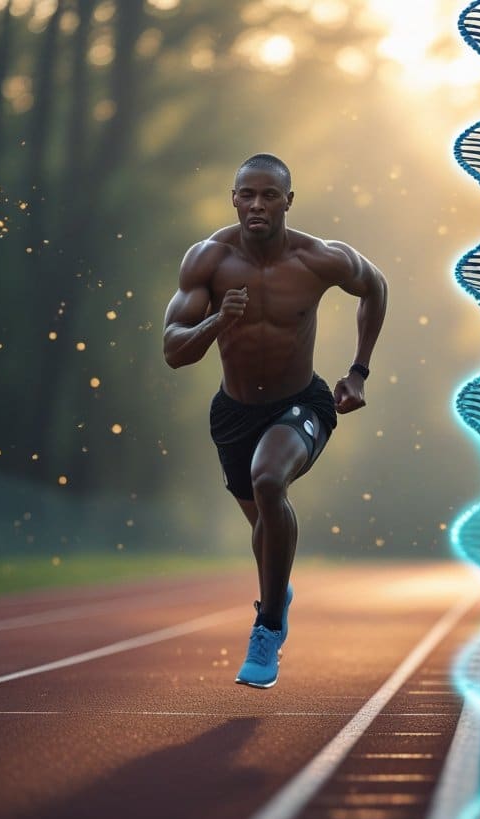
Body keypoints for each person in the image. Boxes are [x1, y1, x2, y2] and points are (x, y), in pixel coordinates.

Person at [163, 153, 387, 689]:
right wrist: (219, 319)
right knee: (265, 531)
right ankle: (277, 582)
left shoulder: (318, 258)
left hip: (301, 404)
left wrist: (358, 372)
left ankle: (267, 626)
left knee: (269, 481)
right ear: (233, 199)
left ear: (289, 200)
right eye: (247, 194)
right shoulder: (208, 260)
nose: (257, 204)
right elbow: (173, 351)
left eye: (269, 195)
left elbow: (375, 287)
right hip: (234, 413)